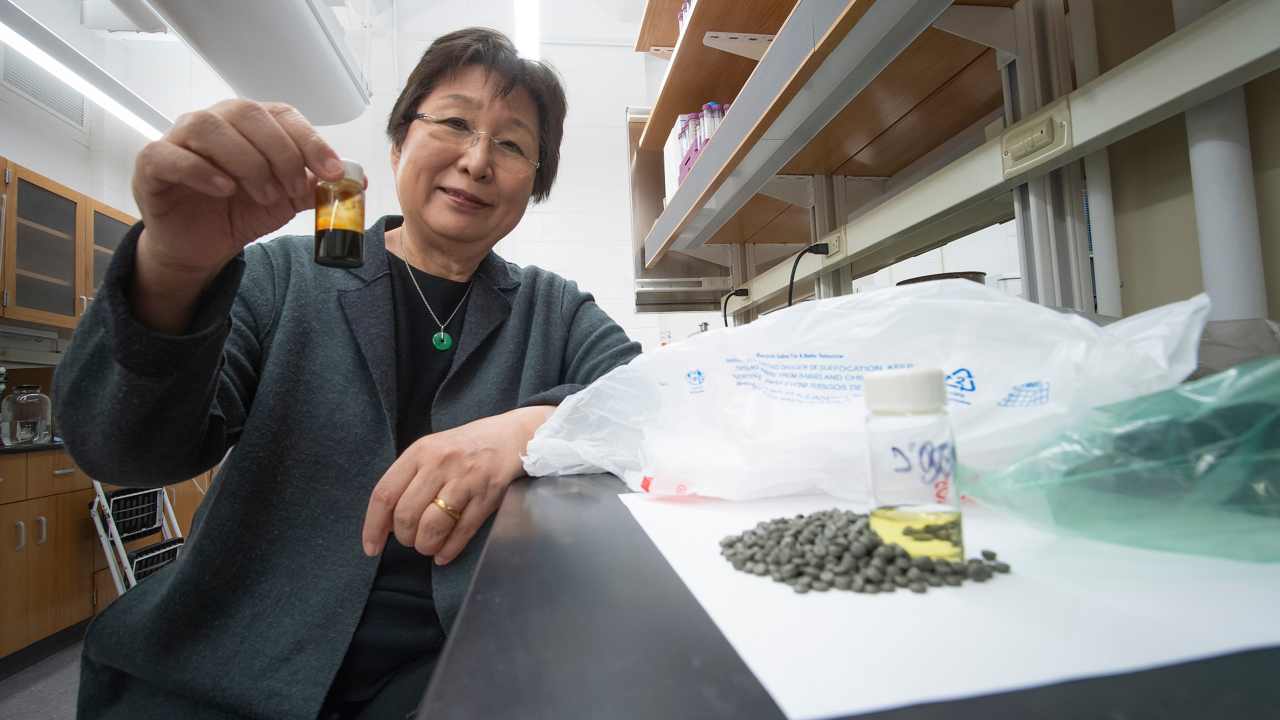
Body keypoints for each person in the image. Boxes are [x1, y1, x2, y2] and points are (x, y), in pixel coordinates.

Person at [54, 27, 640, 720]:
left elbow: (645, 403)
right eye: (454, 122)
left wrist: (525, 430)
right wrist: (175, 268)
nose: (478, 160)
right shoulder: (282, 278)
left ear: (533, 183)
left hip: (447, 664)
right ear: (398, 143)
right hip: (229, 664)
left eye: (512, 144)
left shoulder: (555, 309)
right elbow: (125, 449)